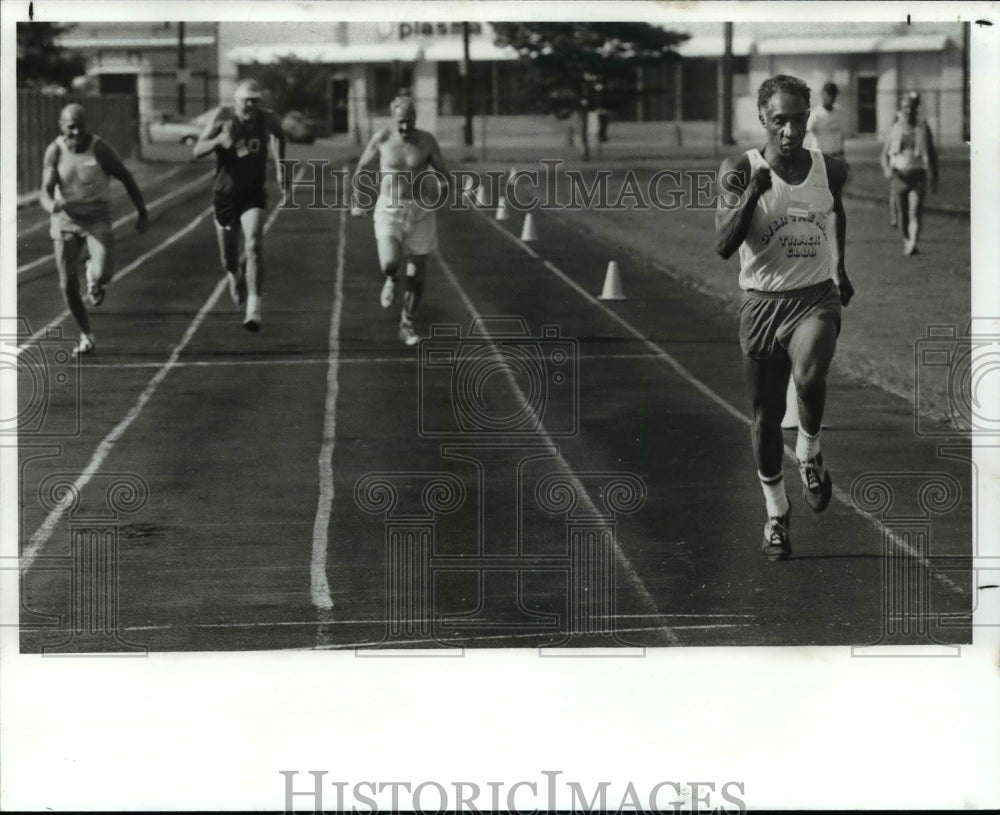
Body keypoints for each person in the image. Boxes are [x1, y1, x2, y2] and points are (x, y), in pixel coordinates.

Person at [715, 75, 855, 562]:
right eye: (780, 121)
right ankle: (776, 514)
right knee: (765, 418)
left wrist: (839, 268)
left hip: (814, 297)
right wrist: (754, 192)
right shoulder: (738, 169)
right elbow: (723, 244)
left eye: (799, 119)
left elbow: (834, 209)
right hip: (760, 303)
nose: (791, 130)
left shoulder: (829, 169)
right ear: (763, 120)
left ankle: (811, 453)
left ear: (808, 116)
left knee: (809, 374)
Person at [40, 103, 149, 356]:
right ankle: (86, 335)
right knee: (67, 285)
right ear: (61, 127)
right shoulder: (54, 151)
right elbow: (45, 192)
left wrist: (142, 212)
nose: (77, 132)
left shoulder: (99, 149)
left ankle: (92, 275)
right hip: (66, 220)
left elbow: (126, 177)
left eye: (81, 126)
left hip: (96, 217)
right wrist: (52, 205)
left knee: (103, 275)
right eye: (71, 127)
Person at [352, 93, 450, 346]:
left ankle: (407, 323)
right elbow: (362, 168)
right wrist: (358, 199)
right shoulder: (382, 139)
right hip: (389, 208)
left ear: (415, 118)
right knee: (390, 263)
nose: (404, 127)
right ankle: (391, 279)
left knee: (417, 274)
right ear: (392, 119)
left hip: (420, 210)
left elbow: (443, 171)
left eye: (409, 121)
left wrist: (446, 187)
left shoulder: (427, 141)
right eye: (400, 121)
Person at [193, 78, 288, 331]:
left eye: (255, 101)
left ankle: (254, 309)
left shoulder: (268, 119)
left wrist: (281, 168)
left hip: (253, 194)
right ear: (236, 101)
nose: (251, 106)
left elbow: (280, 136)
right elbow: (197, 150)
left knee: (255, 244)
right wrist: (217, 142)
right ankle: (235, 276)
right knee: (229, 260)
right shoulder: (223, 117)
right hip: (225, 195)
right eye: (246, 101)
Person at [880, 91, 938, 256]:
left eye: (912, 108)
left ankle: (912, 243)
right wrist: (887, 170)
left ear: (916, 109)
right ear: (901, 109)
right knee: (902, 215)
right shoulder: (896, 129)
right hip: (899, 177)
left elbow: (932, 153)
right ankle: (907, 239)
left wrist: (934, 175)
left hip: (918, 174)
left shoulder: (922, 128)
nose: (909, 111)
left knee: (915, 210)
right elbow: (884, 155)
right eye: (906, 108)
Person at [804, 81, 845, 159]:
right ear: (823, 94)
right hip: (820, 156)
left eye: (834, 95)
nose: (832, 98)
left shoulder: (839, 112)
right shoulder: (815, 114)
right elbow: (805, 132)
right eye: (829, 94)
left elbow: (841, 135)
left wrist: (843, 154)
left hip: (837, 154)